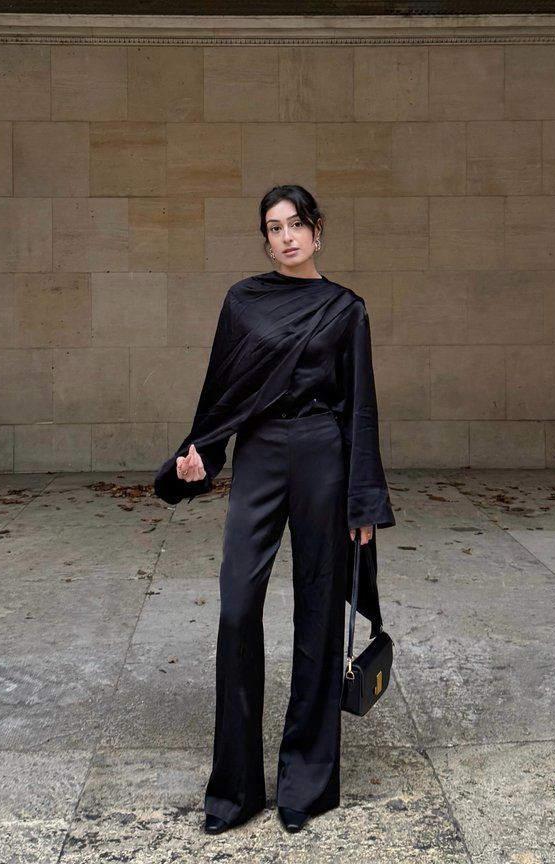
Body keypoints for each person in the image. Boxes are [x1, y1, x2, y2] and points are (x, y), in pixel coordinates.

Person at [155, 185, 395, 835]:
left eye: (296, 224)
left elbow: (361, 408)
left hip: (323, 456)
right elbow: (222, 392)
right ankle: (235, 792)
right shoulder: (244, 301)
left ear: (317, 230)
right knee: (237, 607)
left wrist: (363, 499)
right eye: (274, 227)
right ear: (265, 239)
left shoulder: (346, 309)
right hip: (260, 453)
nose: (286, 236)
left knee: (319, 612)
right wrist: (201, 454)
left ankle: (305, 784)